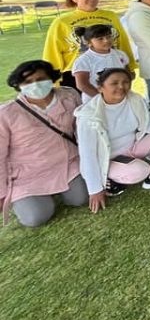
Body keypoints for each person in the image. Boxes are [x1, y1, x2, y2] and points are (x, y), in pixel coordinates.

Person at [76, 68, 150, 213]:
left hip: (132, 149)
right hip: (108, 159)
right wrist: (95, 190)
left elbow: (148, 124)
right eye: (114, 83)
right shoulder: (88, 115)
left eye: (126, 82)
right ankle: (110, 180)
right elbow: (88, 155)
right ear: (100, 87)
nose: (121, 87)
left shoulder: (134, 99)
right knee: (141, 170)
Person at [1, 61, 87, 227]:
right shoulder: (6, 113)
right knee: (36, 218)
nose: (35, 85)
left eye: (40, 79)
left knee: (81, 199)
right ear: (18, 86)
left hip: (68, 163)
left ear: (51, 78)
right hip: (28, 174)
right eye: (28, 82)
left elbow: (82, 129)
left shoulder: (69, 96)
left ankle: (58, 190)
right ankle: (25, 198)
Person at [43, 0, 136, 87]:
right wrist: (52, 78)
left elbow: (122, 42)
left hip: (111, 69)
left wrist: (130, 66)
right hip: (76, 73)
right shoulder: (62, 21)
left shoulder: (111, 16)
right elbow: (52, 51)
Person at [72, 25, 131, 102]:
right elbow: (82, 85)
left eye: (109, 37)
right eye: (100, 39)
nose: (106, 40)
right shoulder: (84, 60)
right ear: (89, 42)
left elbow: (127, 75)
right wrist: (104, 98)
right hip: (95, 101)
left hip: (121, 98)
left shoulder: (120, 55)